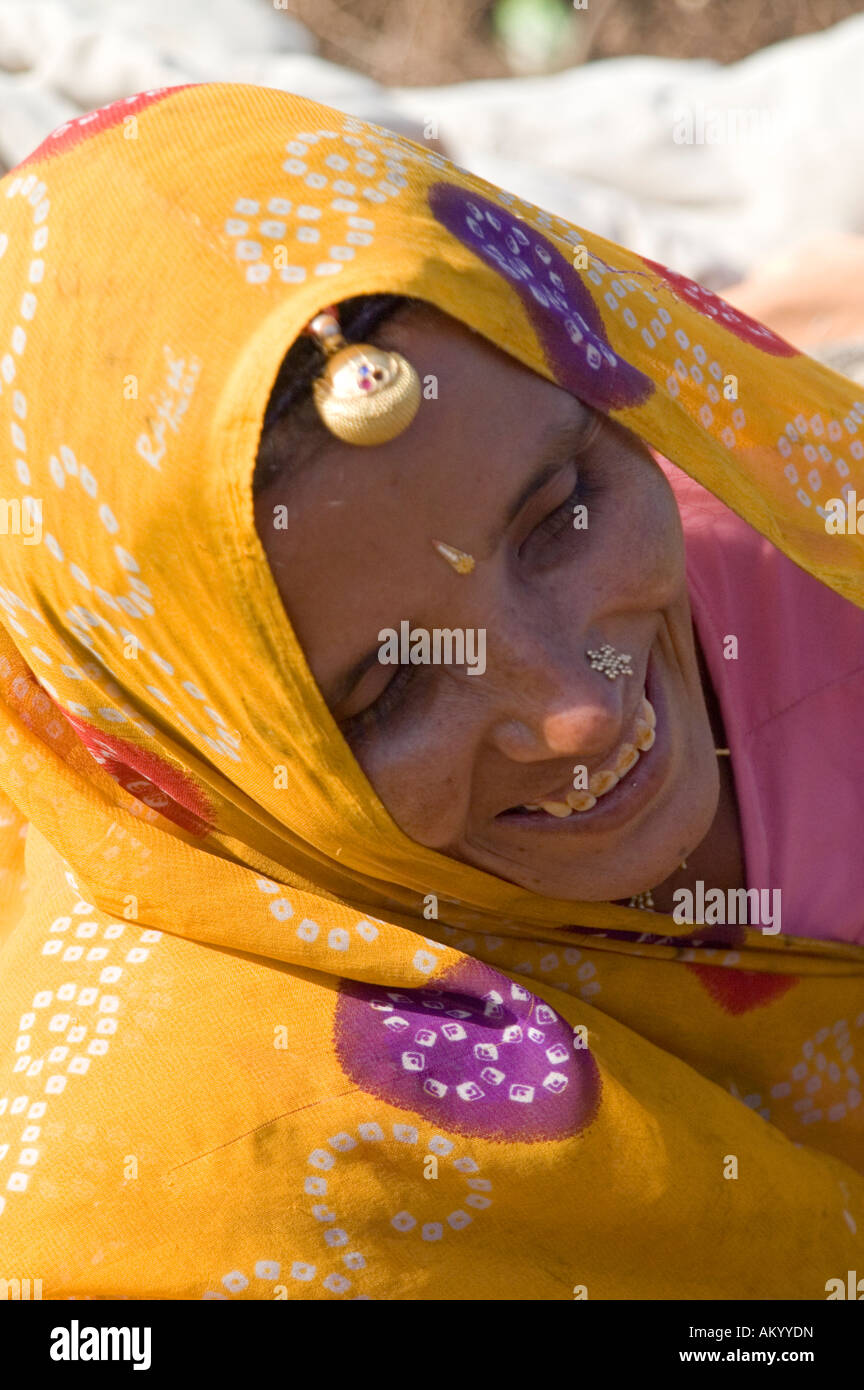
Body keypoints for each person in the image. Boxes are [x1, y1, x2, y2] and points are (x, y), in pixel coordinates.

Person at [0, 83, 860, 1302]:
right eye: (397, 684)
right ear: (202, 758)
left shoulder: (813, 559)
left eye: (561, 515)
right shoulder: (186, 1196)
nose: (585, 710)